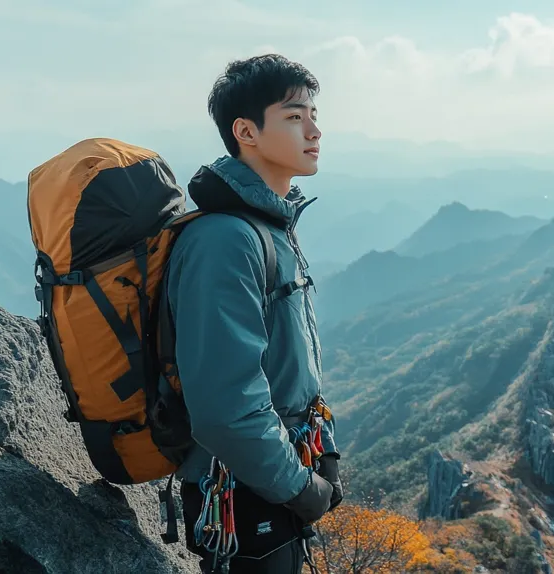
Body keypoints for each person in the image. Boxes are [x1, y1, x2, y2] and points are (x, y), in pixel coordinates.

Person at [164, 53, 343, 574]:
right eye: (294, 117)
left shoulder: (270, 226)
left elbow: (290, 367)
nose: (314, 130)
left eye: (313, 115)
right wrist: (299, 486)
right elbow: (224, 405)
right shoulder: (225, 241)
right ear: (246, 131)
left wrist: (324, 453)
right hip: (239, 497)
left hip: (270, 480)